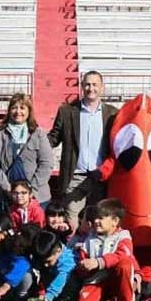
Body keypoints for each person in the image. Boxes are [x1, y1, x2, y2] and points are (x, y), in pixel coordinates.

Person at [48, 71, 118, 228]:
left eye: (94, 85)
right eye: (87, 84)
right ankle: (71, 252)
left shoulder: (113, 114)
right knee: (71, 221)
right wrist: (35, 144)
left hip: (101, 178)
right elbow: (54, 138)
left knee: (100, 222)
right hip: (75, 176)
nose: (90, 88)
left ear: (102, 88)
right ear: (81, 86)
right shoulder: (66, 111)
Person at [0, 92, 54, 213]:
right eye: (14, 108)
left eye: (22, 108)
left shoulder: (38, 133)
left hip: (36, 196)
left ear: (29, 111)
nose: (18, 112)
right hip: (7, 196)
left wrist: (29, 190)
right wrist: (4, 185)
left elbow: (46, 163)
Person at [73, 199, 137, 301]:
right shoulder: (89, 239)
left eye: (101, 218)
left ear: (115, 221)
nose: (96, 221)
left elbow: (123, 255)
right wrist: (83, 267)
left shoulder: (123, 236)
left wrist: (99, 262)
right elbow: (83, 259)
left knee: (125, 264)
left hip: (117, 279)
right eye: (95, 218)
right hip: (97, 279)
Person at [35, 229, 77, 301]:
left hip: (72, 287)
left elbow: (61, 279)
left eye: (48, 261)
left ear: (58, 251)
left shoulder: (68, 260)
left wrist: (49, 297)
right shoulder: (55, 253)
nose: (45, 264)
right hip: (58, 285)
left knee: (70, 279)